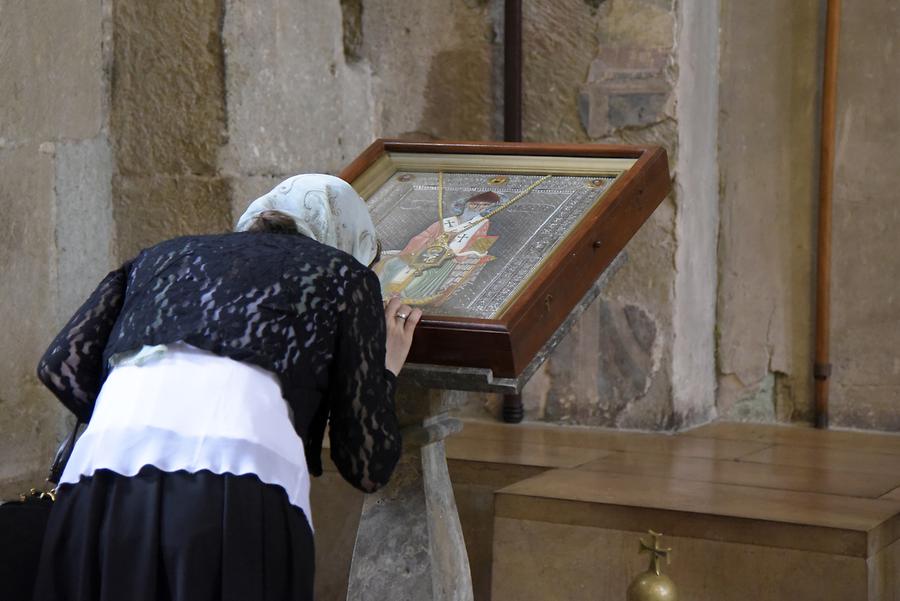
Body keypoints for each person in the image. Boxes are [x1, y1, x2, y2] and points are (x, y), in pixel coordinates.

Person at [32, 174, 422, 601]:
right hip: (229, 491)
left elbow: (59, 363)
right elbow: (367, 464)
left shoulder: (164, 256)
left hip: (95, 483)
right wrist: (383, 370)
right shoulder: (344, 275)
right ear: (349, 237)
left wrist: (137, 421)